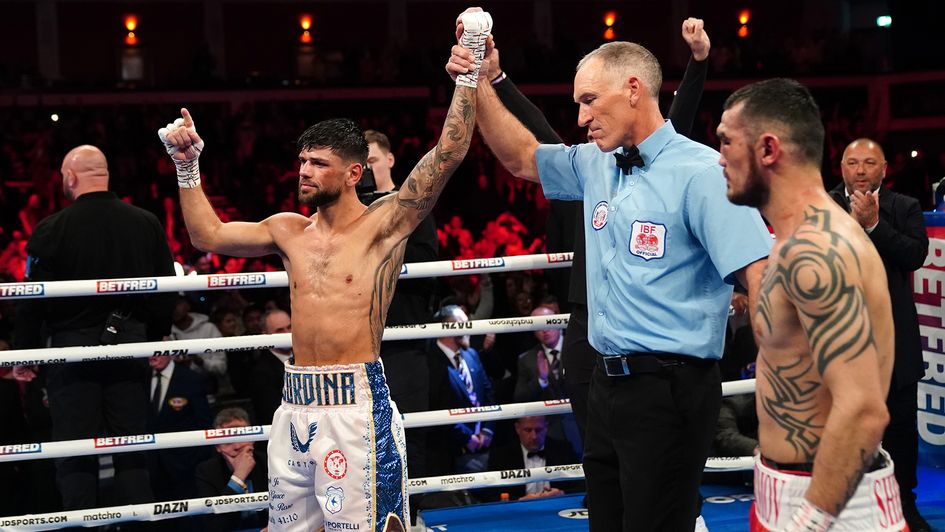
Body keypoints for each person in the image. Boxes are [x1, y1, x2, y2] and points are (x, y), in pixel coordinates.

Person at [157, 12, 491, 531]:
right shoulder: (288, 229)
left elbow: (448, 154)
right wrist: (186, 165)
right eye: (302, 162)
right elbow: (209, 237)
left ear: (354, 172)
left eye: (317, 163)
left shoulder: (386, 223)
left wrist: (467, 70)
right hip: (295, 406)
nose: (303, 171)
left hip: (356, 407)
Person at [448, 16, 771, 530]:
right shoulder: (597, 162)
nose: (580, 118)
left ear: (634, 90)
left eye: (589, 101)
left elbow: (761, 276)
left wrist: (785, 385)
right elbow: (521, 158)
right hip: (605, 382)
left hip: (672, 387)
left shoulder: (703, 173)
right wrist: (482, 81)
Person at [482, 17, 712, 448]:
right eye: (580, 105)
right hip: (589, 323)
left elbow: (675, 119)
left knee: (658, 461)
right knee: (601, 451)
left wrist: (698, 61)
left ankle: (683, 512)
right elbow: (532, 144)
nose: (585, 118)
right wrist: (494, 79)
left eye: (590, 101)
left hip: (653, 344)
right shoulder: (590, 168)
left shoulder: (670, 164)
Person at [717, 78, 905, 530]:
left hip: (833, 501)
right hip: (784, 486)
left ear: (768, 149)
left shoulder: (818, 250)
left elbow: (863, 410)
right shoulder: (792, 241)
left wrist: (810, 521)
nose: (719, 158)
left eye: (725, 142)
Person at [13, 145, 176, 517]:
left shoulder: (52, 228)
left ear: (70, 177)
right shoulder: (145, 222)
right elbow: (165, 287)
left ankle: (81, 526)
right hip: (129, 343)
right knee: (130, 445)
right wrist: (158, 336)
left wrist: (26, 350)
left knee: (74, 450)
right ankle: (138, 525)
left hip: (72, 349)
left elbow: (31, 298)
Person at [829, 138, 931, 531]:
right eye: (852, 162)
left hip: (895, 345)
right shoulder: (822, 206)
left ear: (884, 168)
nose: (860, 170)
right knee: (841, 433)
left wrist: (873, 224)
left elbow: (914, 255)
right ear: (840, 167)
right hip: (840, 344)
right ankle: (847, 509)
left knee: (901, 434)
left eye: (869, 163)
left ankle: (905, 505)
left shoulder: (904, 207)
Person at [365, 129, 440, 490]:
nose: (366, 170)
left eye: (373, 161)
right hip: (360, 342)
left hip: (405, 337)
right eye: (360, 165)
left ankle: (416, 509)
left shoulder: (413, 205)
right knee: (362, 435)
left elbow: (428, 264)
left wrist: (383, 243)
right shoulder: (346, 211)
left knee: (412, 430)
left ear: (390, 159)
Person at [426, 304, 497, 475]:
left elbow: (488, 394)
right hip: (450, 451)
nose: (468, 329)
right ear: (446, 327)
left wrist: (487, 429)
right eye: (463, 323)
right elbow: (436, 406)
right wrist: (466, 437)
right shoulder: (431, 362)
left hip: (484, 445)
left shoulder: (471, 354)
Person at [146, 354, 212, 527]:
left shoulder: (189, 379)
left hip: (186, 465)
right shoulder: (140, 379)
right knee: (162, 522)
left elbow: (205, 423)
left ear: (170, 351)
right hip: (152, 466)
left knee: (192, 521)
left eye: (157, 351)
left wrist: (195, 461)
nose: (152, 357)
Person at [513, 305, 582, 456]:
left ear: (557, 322)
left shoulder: (579, 348)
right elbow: (519, 398)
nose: (544, 330)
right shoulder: (527, 359)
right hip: (550, 432)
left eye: (547, 323)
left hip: (582, 423)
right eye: (538, 326)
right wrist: (541, 380)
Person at [195, 407, 268, 532]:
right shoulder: (206, 471)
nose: (237, 446)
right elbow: (215, 527)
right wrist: (238, 478)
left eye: (241, 437)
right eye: (228, 441)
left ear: (253, 439)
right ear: (218, 446)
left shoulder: (269, 462)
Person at [485, 416, 582, 502]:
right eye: (528, 430)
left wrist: (561, 493)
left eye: (538, 430)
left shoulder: (563, 449)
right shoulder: (501, 455)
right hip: (519, 512)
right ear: (517, 428)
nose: (534, 436)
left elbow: (581, 486)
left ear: (546, 427)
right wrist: (519, 501)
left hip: (556, 507)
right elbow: (491, 495)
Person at [249, 308, 293, 425]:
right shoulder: (261, 372)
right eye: (280, 330)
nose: (287, 334)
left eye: (289, 327)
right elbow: (271, 414)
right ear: (266, 335)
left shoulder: (309, 357)